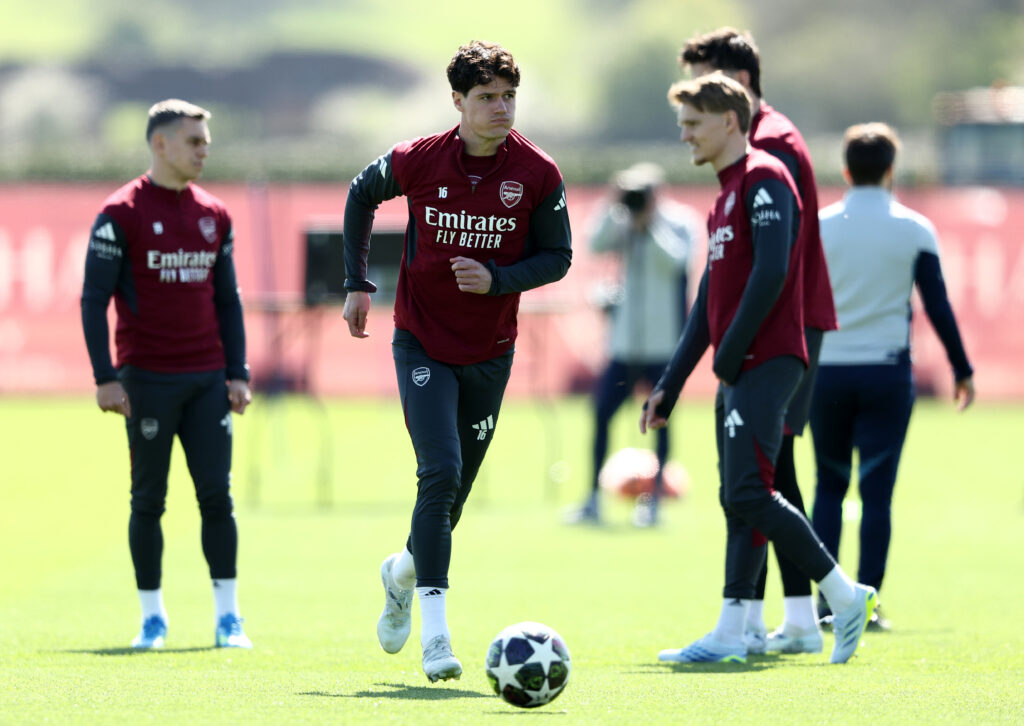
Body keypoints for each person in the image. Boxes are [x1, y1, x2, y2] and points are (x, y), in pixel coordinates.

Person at [341, 40, 572, 682]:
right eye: (487, 97)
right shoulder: (419, 159)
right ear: (458, 102)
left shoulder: (538, 172)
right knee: (439, 472)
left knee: (452, 496)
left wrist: (497, 280)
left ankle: (401, 574)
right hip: (421, 342)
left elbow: (558, 258)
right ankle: (437, 638)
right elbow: (361, 195)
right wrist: (356, 283)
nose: (502, 108)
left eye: (509, 96)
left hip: (491, 352)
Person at [642, 73, 875, 665]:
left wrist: (730, 352)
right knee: (738, 496)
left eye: (693, 123)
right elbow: (708, 300)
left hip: (768, 361)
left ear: (728, 121)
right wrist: (671, 383)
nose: (685, 135)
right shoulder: (723, 197)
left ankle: (844, 595)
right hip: (741, 365)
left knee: (749, 489)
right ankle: (732, 630)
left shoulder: (765, 177)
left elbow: (773, 272)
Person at [680, 27, 838, 654]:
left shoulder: (769, 147)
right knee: (768, 469)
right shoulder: (761, 144)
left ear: (735, 88)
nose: (688, 117)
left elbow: (774, 260)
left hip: (781, 325)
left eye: (701, 86)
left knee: (761, 472)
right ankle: (786, 617)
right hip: (771, 324)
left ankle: (795, 610)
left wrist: (731, 346)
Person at [80, 99, 253, 650]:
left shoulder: (215, 215)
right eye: (194, 142)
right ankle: (152, 618)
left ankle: (229, 618)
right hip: (146, 381)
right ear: (161, 144)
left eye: (206, 142)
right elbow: (93, 300)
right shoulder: (121, 213)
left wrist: (237, 372)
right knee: (148, 500)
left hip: (207, 380)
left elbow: (228, 300)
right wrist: (105, 377)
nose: (204, 151)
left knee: (217, 497)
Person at [811, 122, 975, 630]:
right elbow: (937, 305)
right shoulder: (914, 228)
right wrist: (962, 368)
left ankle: (827, 603)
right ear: (890, 171)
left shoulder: (818, 226)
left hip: (827, 374)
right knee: (877, 493)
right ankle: (868, 602)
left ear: (845, 171)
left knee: (828, 487)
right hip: (886, 374)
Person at [565, 162, 697, 527]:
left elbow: (676, 262)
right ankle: (592, 498)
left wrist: (648, 226)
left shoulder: (679, 222)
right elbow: (594, 244)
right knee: (601, 414)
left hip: (664, 343)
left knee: (661, 421)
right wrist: (613, 206)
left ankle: (653, 503)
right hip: (623, 344)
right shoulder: (622, 220)